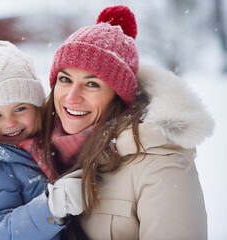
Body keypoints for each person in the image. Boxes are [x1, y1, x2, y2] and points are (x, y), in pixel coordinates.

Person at [38, 5, 214, 239]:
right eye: (65, 79)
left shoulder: (160, 164)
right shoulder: (40, 151)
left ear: (119, 96)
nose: (71, 97)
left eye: (92, 84)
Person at [0, 38, 74, 240]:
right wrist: (51, 209)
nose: (10, 123)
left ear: (37, 107)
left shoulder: (56, 141)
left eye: (20, 109)